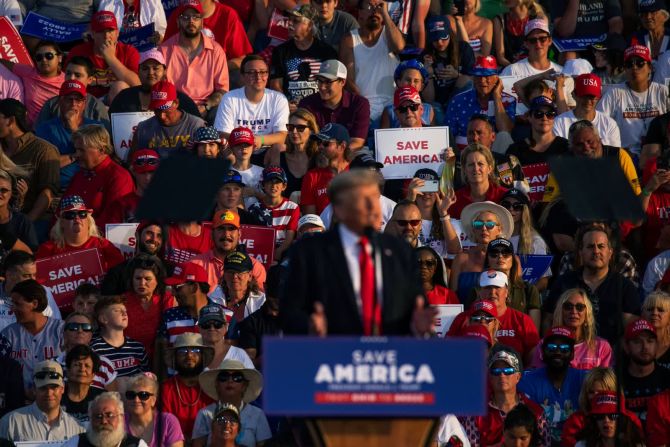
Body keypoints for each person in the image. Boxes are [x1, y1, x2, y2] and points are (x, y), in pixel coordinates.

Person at [284, 169, 435, 336]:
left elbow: (417, 306)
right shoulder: (309, 252)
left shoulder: (399, 251)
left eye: (375, 198)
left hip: (389, 354)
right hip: (334, 353)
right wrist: (310, 328)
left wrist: (416, 325)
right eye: (363, 200)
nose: (373, 206)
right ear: (339, 208)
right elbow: (290, 312)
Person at [543, 224, 640, 345]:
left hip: (610, 358)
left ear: (610, 253)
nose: (596, 251)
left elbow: (631, 331)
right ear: (581, 252)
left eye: (601, 246)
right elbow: (548, 321)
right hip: (568, 353)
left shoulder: (625, 287)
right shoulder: (564, 282)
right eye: (590, 247)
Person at [458, 348, 550, 446]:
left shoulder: (536, 413)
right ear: (490, 377)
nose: (502, 375)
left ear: (518, 376)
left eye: (508, 370)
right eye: (496, 371)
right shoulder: (475, 415)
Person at [160, 0, 229, 121]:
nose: (191, 21)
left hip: (206, 108)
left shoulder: (216, 50)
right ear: (178, 22)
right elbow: (161, 87)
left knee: (221, 110)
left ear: (202, 23)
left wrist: (206, 107)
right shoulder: (164, 50)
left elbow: (222, 90)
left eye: (196, 17)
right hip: (175, 108)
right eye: (185, 17)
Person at [518, 327, 588, 444]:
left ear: (572, 354)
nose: (558, 352)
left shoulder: (584, 379)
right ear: (542, 352)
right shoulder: (527, 380)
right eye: (552, 348)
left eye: (564, 349)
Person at [597, 44, 669, 158]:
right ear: (625, 69)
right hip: (626, 157)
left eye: (640, 63)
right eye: (629, 64)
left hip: (658, 156)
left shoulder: (662, 92)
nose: (634, 67)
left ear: (650, 67)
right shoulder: (614, 93)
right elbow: (598, 123)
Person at [339, 0, 403, 122]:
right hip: (365, 107)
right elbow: (349, 81)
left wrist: (385, 13)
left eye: (378, 6)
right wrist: (364, 108)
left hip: (393, 106)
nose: (374, 11)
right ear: (360, 12)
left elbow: (399, 46)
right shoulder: (349, 39)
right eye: (369, 6)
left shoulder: (389, 33)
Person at [34, 80, 106, 190]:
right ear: (59, 101)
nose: (73, 104)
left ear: (84, 104)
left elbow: (100, 160)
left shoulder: (97, 127)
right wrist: (75, 155)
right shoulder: (45, 129)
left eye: (78, 100)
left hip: (91, 187)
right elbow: (43, 166)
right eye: (69, 99)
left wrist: (73, 129)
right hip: (57, 190)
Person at [213, 54, 289, 155]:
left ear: (268, 75)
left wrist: (259, 140)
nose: (258, 77)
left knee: (279, 148)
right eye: (252, 73)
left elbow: (282, 135)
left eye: (263, 72)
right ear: (242, 77)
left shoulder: (279, 99)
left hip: (267, 152)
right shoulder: (229, 98)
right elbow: (223, 134)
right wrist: (247, 142)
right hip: (238, 151)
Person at [0, 99, 60, 225]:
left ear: (10, 121)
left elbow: (47, 194)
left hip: (33, 220)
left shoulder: (44, 150)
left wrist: (26, 224)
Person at [0, 279, 64, 393]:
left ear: (34, 303)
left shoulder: (61, 330)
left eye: (17, 304)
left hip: (55, 397)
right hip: (18, 401)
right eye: (12, 303)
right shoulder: (8, 334)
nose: (12, 309)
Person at [65, 124, 134, 229]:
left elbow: (112, 222)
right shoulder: (79, 176)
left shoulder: (119, 177)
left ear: (101, 150)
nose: (77, 155)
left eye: (82, 150)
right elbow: (62, 210)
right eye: (76, 150)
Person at [269, 4, 338, 106]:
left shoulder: (327, 52)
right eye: (289, 19)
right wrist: (285, 104)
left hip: (319, 109)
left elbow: (334, 85)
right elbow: (275, 85)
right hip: (290, 109)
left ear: (310, 26)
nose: (290, 24)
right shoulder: (280, 52)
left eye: (296, 21)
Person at [0, 360, 85, 441]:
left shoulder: (77, 428)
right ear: (34, 389)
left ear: (62, 388)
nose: (49, 393)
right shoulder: (10, 423)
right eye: (43, 388)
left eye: (53, 387)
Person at [192, 359, 271, 447]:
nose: (230, 381)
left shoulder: (257, 414)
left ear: (244, 386)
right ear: (217, 385)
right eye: (224, 377)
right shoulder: (204, 414)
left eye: (237, 378)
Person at [65, 11, 141, 101]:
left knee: (120, 86)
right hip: (85, 100)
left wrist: (111, 58)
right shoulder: (78, 51)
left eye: (110, 31)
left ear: (117, 33)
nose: (106, 36)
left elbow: (137, 85)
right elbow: (68, 82)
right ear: (92, 34)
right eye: (101, 31)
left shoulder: (129, 51)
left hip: (115, 104)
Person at [36, 195, 125, 272]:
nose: (77, 218)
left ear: (88, 221)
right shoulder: (48, 249)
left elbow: (121, 273)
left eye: (82, 214)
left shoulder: (103, 245)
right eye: (70, 215)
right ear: (61, 222)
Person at [466, 238, 542, 329]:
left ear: (513, 259)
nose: (500, 257)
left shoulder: (528, 289)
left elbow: (533, 331)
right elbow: (470, 323)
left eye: (505, 253)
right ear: (488, 260)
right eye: (494, 254)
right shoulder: (477, 289)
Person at [189, 210, 266, 296]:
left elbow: (258, 302)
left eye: (231, 229)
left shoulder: (254, 266)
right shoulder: (194, 264)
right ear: (211, 234)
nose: (226, 234)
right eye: (221, 229)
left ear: (239, 234)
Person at [532, 289, 613, 370]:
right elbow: (538, 378)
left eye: (580, 307)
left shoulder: (602, 346)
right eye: (568, 307)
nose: (574, 311)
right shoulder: (544, 345)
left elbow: (606, 380)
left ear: (587, 313)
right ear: (561, 311)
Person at [299, 59, 370, 150]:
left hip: (349, 156)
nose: (322, 87)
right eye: (319, 81)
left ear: (342, 82)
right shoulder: (306, 104)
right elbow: (304, 140)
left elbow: (357, 143)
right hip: (317, 155)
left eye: (328, 82)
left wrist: (334, 155)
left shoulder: (359, 104)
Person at [445, 57, 516, 148]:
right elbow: (449, 135)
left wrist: (497, 97)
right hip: (465, 153)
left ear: (497, 79)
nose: (482, 81)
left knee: (504, 136)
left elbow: (505, 130)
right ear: (473, 78)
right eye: (478, 76)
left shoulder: (508, 100)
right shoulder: (458, 100)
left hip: (495, 154)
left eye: (487, 76)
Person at [501, 19, 574, 104]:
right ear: (526, 44)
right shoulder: (511, 70)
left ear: (550, 40)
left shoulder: (562, 72)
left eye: (542, 39)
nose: (538, 44)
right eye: (533, 40)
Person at [449, 201, 513, 298]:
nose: (484, 228)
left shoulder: (511, 259)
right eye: (478, 224)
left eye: (490, 224)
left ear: (499, 229)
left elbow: (515, 293)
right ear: (474, 229)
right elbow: (452, 297)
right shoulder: (461, 259)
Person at [108, 49, 200, 117]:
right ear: (138, 71)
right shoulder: (124, 97)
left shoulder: (180, 99)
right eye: (145, 69)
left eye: (155, 68)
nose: (150, 73)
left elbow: (198, 124)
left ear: (165, 71)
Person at [163, 0, 251, 69]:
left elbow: (241, 60)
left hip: (218, 77)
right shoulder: (179, 14)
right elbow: (165, 54)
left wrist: (215, 69)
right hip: (183, 75)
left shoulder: (228, 15)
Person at [131, 80, 206, 158]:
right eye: (157, 110)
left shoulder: (196, 126)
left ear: (176, 103)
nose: (162, 116)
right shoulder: (143, 128)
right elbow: (132, 162)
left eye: (166, 111)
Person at [161, 333, 215, 441]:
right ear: (175, 358)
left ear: (202, 356)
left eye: (195, 351)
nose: (189, 355)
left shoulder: (212, 386)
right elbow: (165, 424)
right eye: (183, 351)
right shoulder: (166, 388)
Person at [122, 254, 175, 363]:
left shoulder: (167, 299)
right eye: (138, 278)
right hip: (130, 360)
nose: (142, 283)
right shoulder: (122, 301)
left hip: (161, 360)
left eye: (148, 279)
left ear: (157, 280)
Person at [2, 41, 63, 128]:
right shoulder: (29, 72)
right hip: (30, 131)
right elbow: (7, 64)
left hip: (53, 132)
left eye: (49, 56)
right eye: (39, 57)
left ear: (59, 58)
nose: (44, 60)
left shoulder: (67, 80)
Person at [37, 56, 110, 128]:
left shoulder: (96, 106)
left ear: (90, 80)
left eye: (78, 75)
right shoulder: (51, 104)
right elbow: (38, 135)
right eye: (68, 73)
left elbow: (104, 138)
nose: (71, 78)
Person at [622, 318, 670, 425]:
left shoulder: (667, 378)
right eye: (637, 341)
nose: (645, 347)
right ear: (626, 346)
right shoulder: (615, 381)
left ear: (656, 345)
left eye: (650, 341)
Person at [101, 221, 171, 295]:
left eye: (159, 236)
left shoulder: (168, 270)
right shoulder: (117, 271)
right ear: (137, 235)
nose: (154, 239)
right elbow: (107, 302)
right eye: (149, 233)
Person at [552, 73, 621, 148]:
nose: (588, 101)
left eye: (592, 97)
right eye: (584, 96)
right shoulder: (558, 123)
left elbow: (614, 156)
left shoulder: (610, 125)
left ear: (599, 97)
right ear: (574, 94)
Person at [0, 251, 62, 331]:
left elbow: (56, 327)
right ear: (9, 275)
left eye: (34, 275)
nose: (33, 280)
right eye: (26, 276)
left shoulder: (44, 292)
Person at [248, 166, 300, 262]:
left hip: (283, 252)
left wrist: (278, 252)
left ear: (284, 186)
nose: (273, 185)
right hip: (259, 253)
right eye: (269, 182)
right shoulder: (254, 209)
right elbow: (252, 238)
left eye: (277, 182)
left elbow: (290, 236)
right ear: (263, 185)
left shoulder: (292, 207)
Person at [61, 391, 148, 447]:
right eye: (98, 416)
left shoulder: (137, 445)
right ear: (90, 419)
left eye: (109, 415)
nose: (104, 421)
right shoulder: (76, 443)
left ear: (121, 417)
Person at [90, 296, 149, 378]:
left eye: (125, 311)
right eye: (117, 311)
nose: (124, 313)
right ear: (103, 319)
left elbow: (146, 377)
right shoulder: (94, 349)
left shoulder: (137, 348)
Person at [422, 15, 474, 107]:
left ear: (450, 33)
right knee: (434, 107)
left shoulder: (464, 49)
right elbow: (429, 100)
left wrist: (456, 75)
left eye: (444, 37)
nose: (440, 42)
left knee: (465, 79)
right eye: (435, 39)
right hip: (438, 105)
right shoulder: (424, 57)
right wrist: (428, 73)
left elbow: (475, 82)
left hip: (461, 104)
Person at [57, 312, 117, 391]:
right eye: (73, 327)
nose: (80, 331)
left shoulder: (104, 365)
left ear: (91, 334)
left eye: (86, 327)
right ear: (64, 333)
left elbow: (113, 398)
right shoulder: (54, 365)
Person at [265, 108, 319, 196]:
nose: (294, 132)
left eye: (300, 128)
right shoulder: (279, 157)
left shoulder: (319, 157)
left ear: (311, 130)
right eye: (291, 127)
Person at [299, 123, 350, 215]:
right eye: (319, 143)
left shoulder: (358, 173)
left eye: (326, 143)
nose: (320, 147)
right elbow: (310, 220)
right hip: (322, 229)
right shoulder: (312, 177)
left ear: (342, 146)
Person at [560, 367, 618, 447]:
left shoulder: (627, 419)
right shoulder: (575, 421)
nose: (594, 397)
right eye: (591, 392)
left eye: (600, 392)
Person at [238, 266, 282, 369]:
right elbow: (247, 365)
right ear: (265, 287)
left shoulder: (299, 320)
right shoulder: (251, 322)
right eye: (274, 296)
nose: (278, 300)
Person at [215, 251, 266, 339]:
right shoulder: (213, 298)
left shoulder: (261, 301)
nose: (234, 276)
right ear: (224, 275)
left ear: (250, 276)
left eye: (239, 272)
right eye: (230, 272)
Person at [124, 373, 184, 447]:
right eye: (131, 395)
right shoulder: (118, 421)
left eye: (143, 395)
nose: (136, 400)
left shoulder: (168, 421)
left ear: (153, 400)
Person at [158, 262, 211, 347]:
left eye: (177, 287)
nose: (173, 293)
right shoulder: (168, 316)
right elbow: (163, 355)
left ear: (194, 288)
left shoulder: (227, 316)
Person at [506, 96, 569, 167]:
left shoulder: (567, 147)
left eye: (550, 114)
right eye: (538, 114)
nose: (544, 118)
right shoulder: (515, 150)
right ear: (529, 117)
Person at [104, 148, 159, 224]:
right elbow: (114, 234)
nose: (147, 177)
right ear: (133, 171)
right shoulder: (121, 205)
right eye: (142, 173)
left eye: (151, 172)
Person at [575, 392, 646, 447]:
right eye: (600, 416)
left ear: (623, 419)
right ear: (594, 420)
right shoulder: (582, 445)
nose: (606, 420)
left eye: (613, 415)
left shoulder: (636, 445)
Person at [199, 303, 254, 369]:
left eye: (217, 324)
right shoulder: (193, 356)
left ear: (226, 327)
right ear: (199, 328)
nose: (212, 328)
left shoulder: (239, 354)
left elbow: (252, 378)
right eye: (206, 324)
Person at [492, 0, 545, 67]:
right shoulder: (500, 20)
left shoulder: (537, 18)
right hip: (508, 68)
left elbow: (540, 53)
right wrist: (515, 69)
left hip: (532, 67)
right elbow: (501, 57)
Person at [61, 345, 104, 424]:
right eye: (77, 365)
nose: (82, 369)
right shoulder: (56, 396)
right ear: (67, 371)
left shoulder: (102, 398)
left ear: (93, 374)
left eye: (87, 366)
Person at [228, 126, 264, 209]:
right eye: (238, 145)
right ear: (231, 148)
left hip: (257, 218)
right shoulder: (224, 172)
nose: (243, 148)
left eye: (247, 145)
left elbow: (271, 202)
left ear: (253, 147)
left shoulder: (262, 172)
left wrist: (255, 193)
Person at [641, 291, 670, 369]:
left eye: (661, 310)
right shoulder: (632, 345)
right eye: (650, 309)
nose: (654, 313)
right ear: (642, 314)